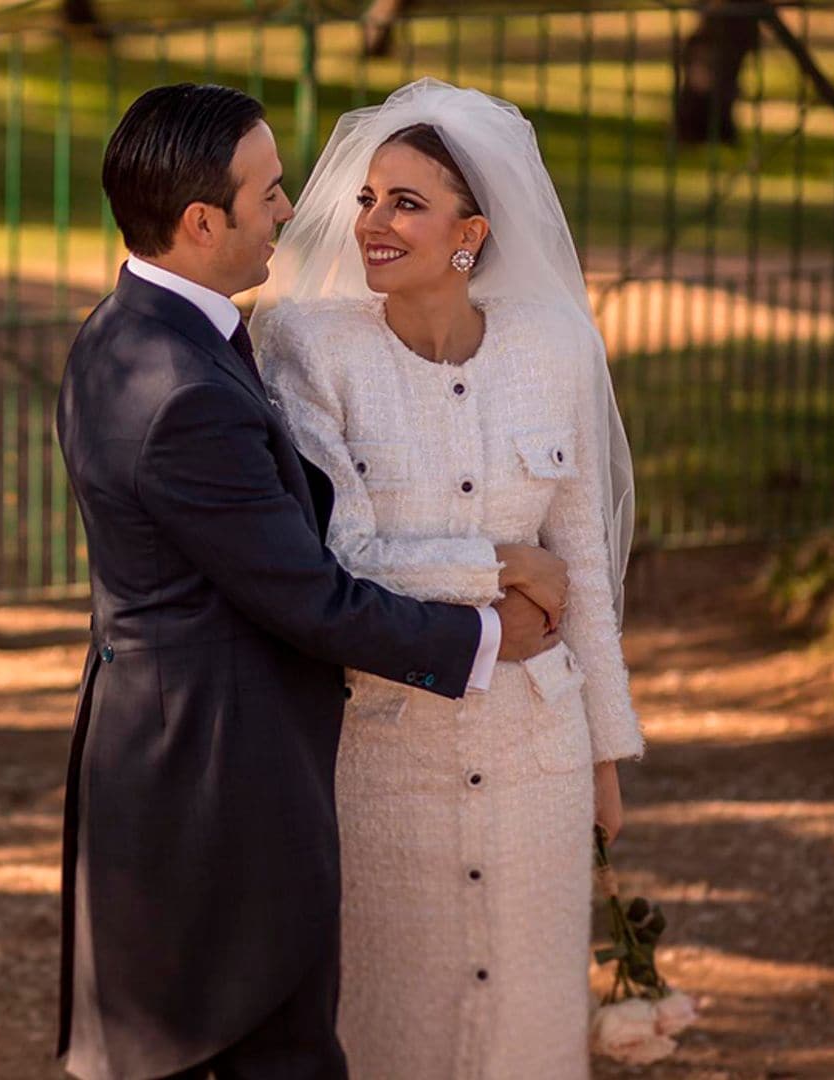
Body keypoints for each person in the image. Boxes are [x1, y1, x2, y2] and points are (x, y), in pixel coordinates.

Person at [53, 82, 564, 1080]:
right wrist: (489, 635)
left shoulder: (132, 333)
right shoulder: (182, 389)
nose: (293, 209)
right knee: (257, 1049)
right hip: (215, 780)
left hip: (172, 753)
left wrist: (473, 558)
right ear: (205, 221)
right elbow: (307, 595)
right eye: (270, 191)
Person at [252, 78, 644, 1079]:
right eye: (369, 198)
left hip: (540, 762)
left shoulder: (553, 347)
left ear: (470, 231)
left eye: (406, 204)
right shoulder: (311, 348)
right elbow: (341, 563)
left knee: (530, 1031)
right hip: (382, 763)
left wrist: (603, 757)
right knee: (390, 1028)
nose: (371, 223)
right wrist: (502, 566)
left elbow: (585, 574)